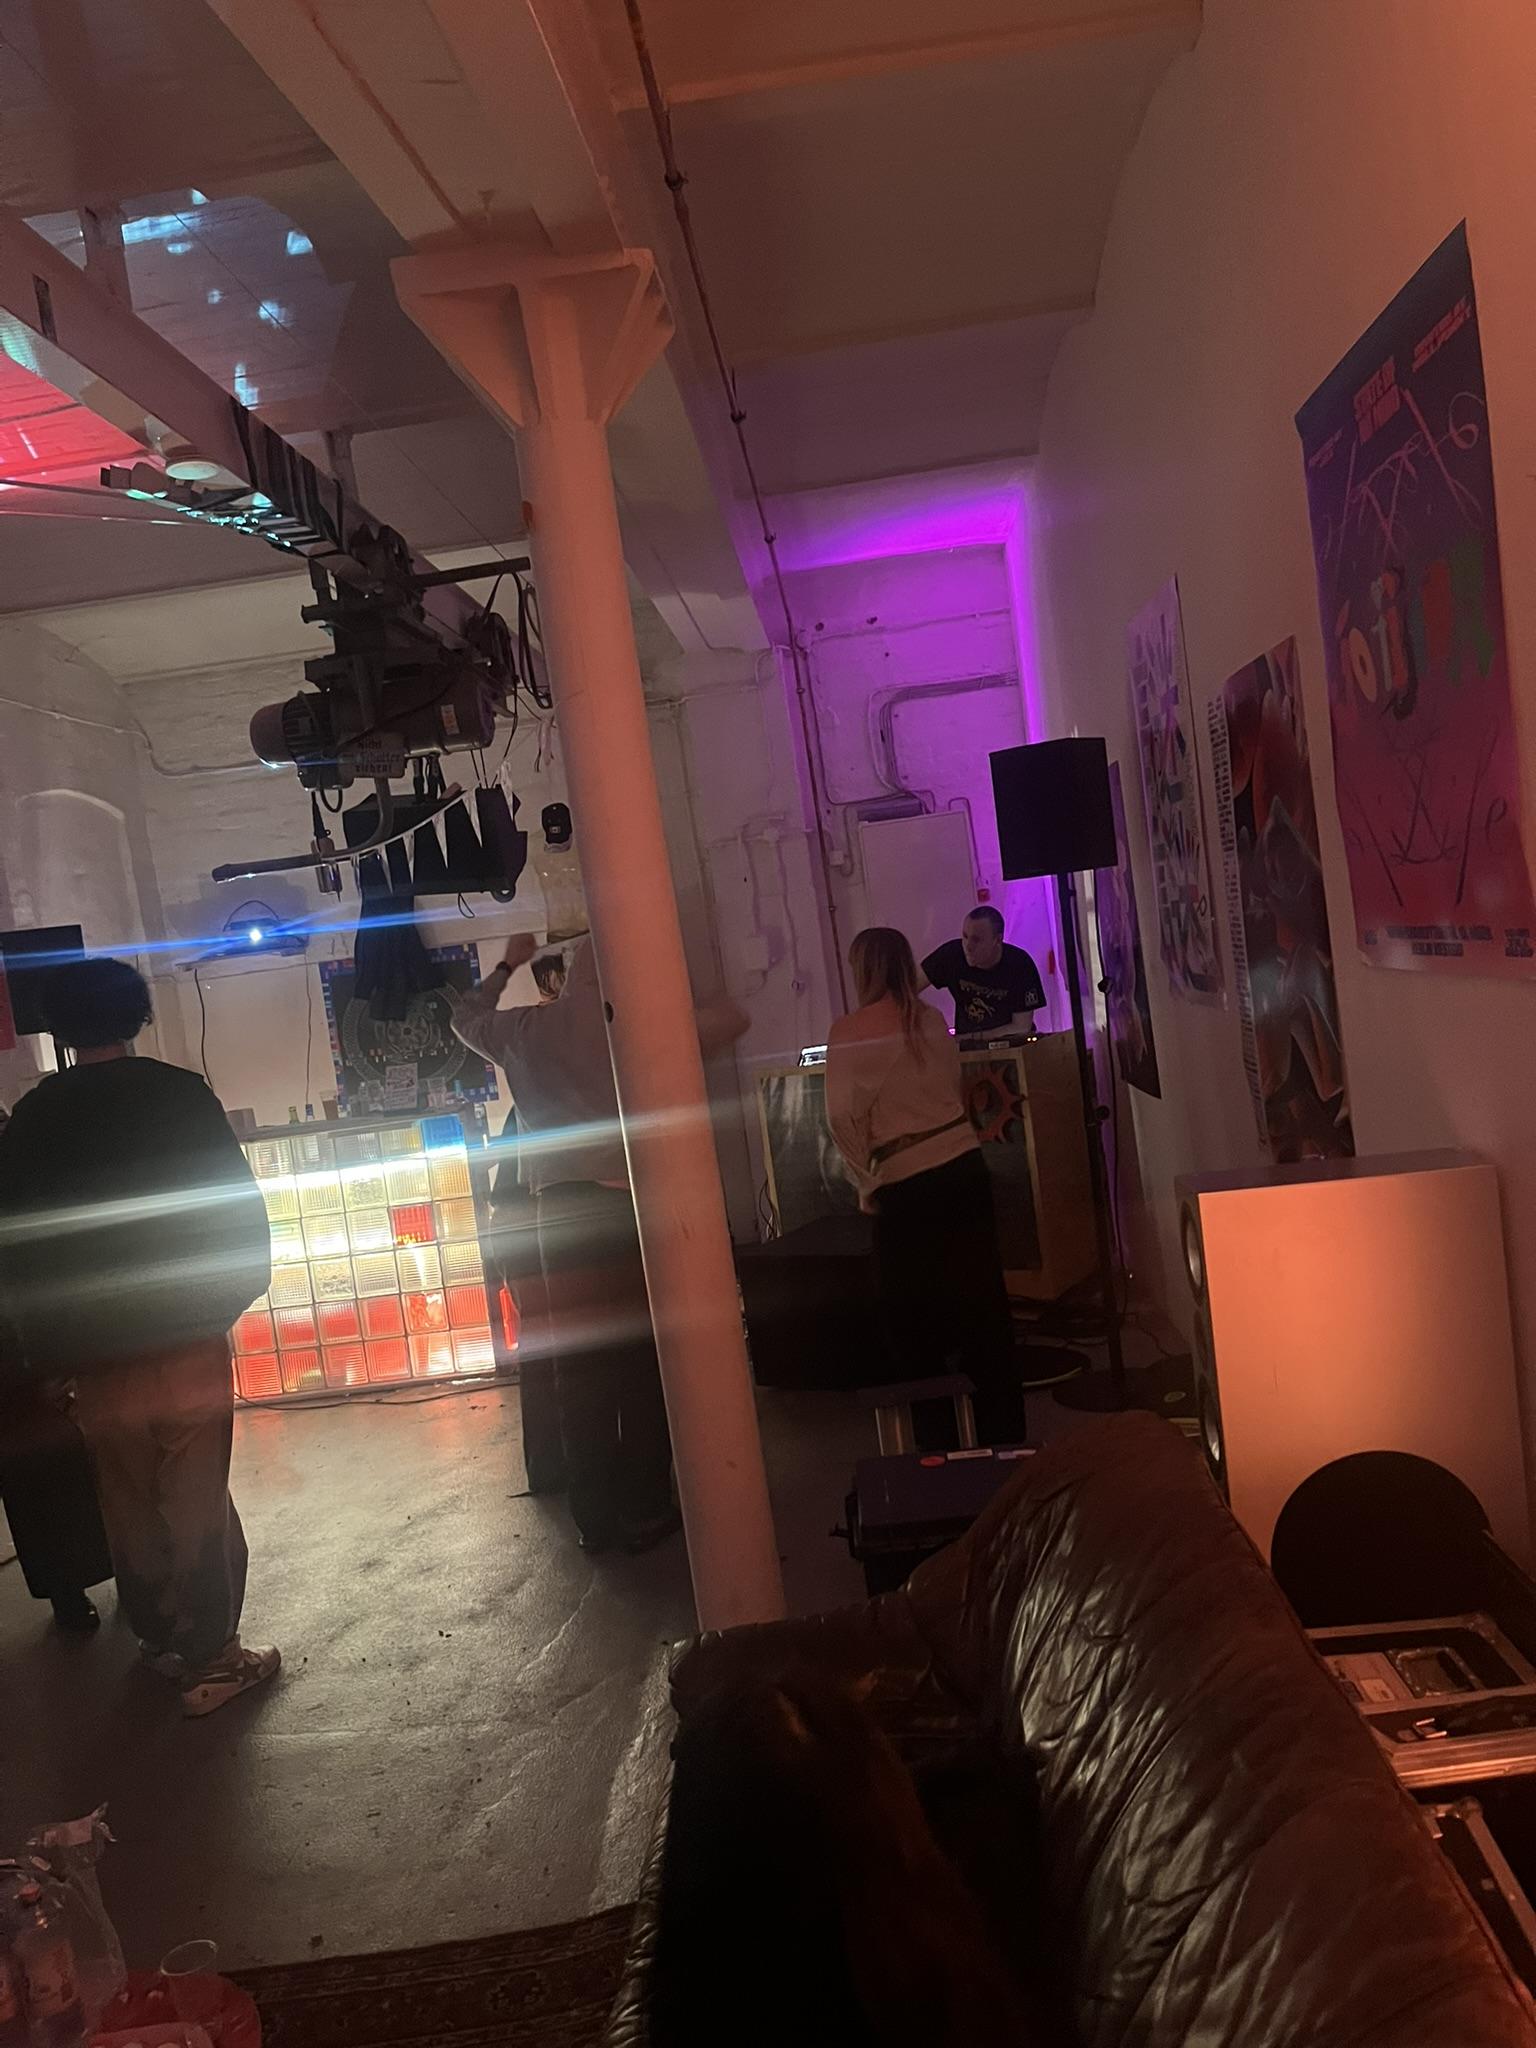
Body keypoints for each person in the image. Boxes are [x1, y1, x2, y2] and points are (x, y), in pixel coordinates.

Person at [0, 959, 279, 1716]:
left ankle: (159, 1641)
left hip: (91, 1347)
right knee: (195, 1494)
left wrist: (46, 1351)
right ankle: (214, 1658)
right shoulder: (178, 1094)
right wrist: (226, 1300)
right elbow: (234, 1208)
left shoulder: (34, 1117)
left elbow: (16, 1244)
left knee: (125, 1498)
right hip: (184, 1330)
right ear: (137, 1015)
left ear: (58, 1028)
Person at [454, 933, 744, 1555]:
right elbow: (733, 1021)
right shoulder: (638, 1029)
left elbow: (464, 1017)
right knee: (643, 1362)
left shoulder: (526, 1032)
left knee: (579, 1369)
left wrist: (507, 964)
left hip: (556, 1218)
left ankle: (593, 1519)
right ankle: (646, 1502)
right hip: (626, 1209)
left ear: (569, 977)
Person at [826, 929, 1025, 1445]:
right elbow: (952, 1090)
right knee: (983, 1311)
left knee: (912, 1323)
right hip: (964, 1167)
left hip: (906, 1181)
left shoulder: (850, 1031)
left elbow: (842, 1118)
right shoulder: (932, 1019)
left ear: (861, 970)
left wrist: (866, 1181)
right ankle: (1005, 1437)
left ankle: (937, 1446)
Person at [484, 950, 567, 1495]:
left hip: (519, 1231)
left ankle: (549, 1470)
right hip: (540, 1232)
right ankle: (563, 1470)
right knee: (570, 1358)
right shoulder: (565, 1094)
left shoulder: (529, 1089)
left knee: (543, 1354)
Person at [921, 905, 1045, 1041]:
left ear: (997, 940)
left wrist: (967, 1038)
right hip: (966, 1045)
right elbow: (908, 987)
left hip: (1010, 1044)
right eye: (965, 936)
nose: (968, 946)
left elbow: (1021, 1027)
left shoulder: (1020, 964)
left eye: (976, 940)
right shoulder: (951, 955)